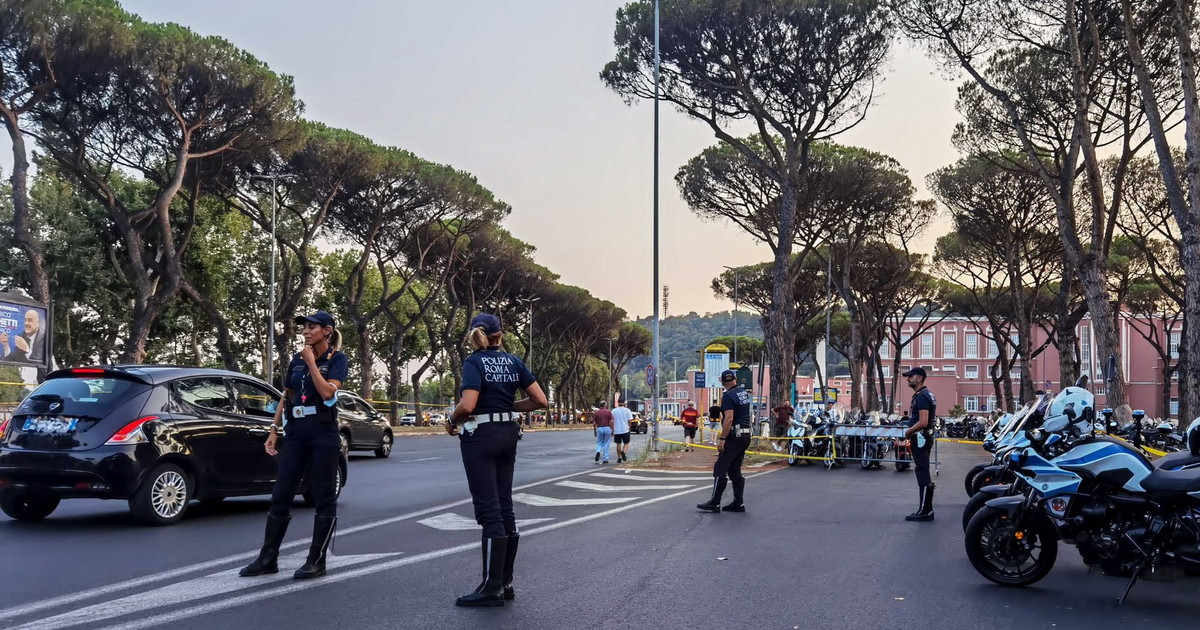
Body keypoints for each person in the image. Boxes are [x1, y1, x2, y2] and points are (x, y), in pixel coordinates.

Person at [447, 313, 547, 607]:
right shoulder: (514, 361)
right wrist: (507, 405)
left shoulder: (474, 362)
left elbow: (468, 404)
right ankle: (505, 582)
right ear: (500, 335)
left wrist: (452, 421)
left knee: (489, 510)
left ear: (474, 336)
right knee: (505, 507)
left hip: (481, 436)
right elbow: (540, 400)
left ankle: (490, 588)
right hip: (507, 434)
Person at [241, 311, 347, 580]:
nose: (306, 332)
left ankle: (316, 560)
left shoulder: (337, 360)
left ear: (327, 331)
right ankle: (267, 558)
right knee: (281, 492)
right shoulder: (296, 360)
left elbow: (327, 392)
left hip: (323, 431)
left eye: (312, 327)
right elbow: (286, 396)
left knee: (323, 495)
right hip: (296, 432)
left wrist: (312, 363)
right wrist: (274, 428)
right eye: (304, 328)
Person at [697, 370, 753, 513]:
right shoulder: (742, 393)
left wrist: (722, 439)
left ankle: (715, 502)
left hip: (735, 436)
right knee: (734, 469)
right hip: (745, 435)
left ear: (721, 381)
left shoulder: (728, 396)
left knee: (720, 467)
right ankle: (738, 502)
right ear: (735, 379)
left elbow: (728, 418)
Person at [898, 367, 936, 522]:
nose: (908, 379)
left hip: (920, 438)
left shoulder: (922, 397)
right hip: (924, 437)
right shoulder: (926, 395)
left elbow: (923, 421)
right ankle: (926, 509)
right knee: (922, 471)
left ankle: (925, 511)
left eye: (910, 376)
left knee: (922, 473)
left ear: (919, 378)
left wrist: (908, 432)